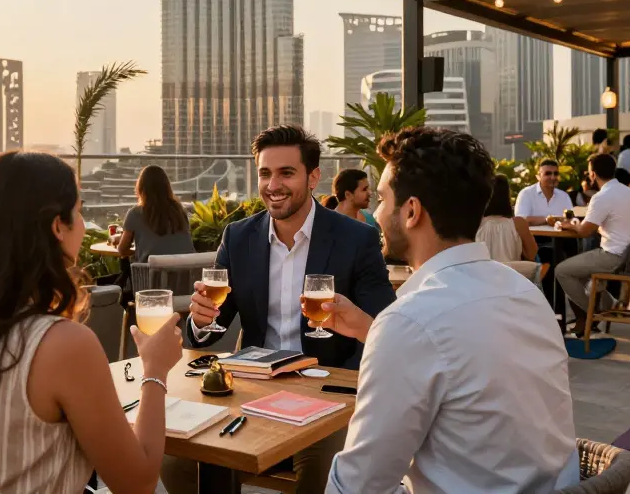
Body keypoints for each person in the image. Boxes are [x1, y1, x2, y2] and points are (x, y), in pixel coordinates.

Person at [0, 151, 184, 494]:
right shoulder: (61, 344)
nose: (83, 223)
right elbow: (137, 484)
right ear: (58, 226)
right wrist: (155, 370)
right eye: (79, 211)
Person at [321, 127, 578, 493]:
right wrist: (373, 330)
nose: (376, 212)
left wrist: (387, 332)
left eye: (382, 198)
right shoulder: (526, 293)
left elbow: (359, 486)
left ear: (411, 211)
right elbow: (464, 360)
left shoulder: (411, 322)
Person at [176, 124, 395, 494]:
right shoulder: (238, 236)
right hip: (251, 389)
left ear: (313, 177)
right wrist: (200, 322)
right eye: (265, 173)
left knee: (324, 471)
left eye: (286, 173)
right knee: (177, 455)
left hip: (328, 391)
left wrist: (350, 383)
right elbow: (212, 327)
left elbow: (383, 328)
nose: (272, 185)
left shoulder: (355, 238)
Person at [554, 154, 630, 330]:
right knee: (579, 271)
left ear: (593, 174)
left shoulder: (602, 196)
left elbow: (584, 231)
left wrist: (571, 225)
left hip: (615, 256)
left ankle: (592, 312)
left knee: (562, 271)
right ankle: (606, 306)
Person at [116, 164, 195, 263]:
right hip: (184, 274)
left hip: (151, 276)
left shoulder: (135, 213)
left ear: (141, 188)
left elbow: (122, 250)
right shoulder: (180, 211)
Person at [476, 174, 541, 285]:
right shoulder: (518, 223)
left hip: (482, 281)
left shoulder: (475, 223)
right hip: (513, 280)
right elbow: (532, 254)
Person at [515, 159, 573, 226]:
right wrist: (547, 219)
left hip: (560, 235)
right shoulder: (526, 194)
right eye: (548, 173)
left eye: (556, 174)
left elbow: (570, 219)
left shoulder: (564, 196)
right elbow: (520, 220)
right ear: (538, 176)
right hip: (534, 236)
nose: (553, 177)